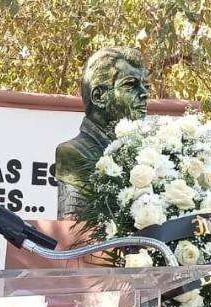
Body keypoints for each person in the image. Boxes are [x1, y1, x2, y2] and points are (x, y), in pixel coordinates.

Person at [53, 47, 149, 216]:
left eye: (145, 86)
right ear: (99, 97)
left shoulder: (144, 153)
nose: (144, 94)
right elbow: (74, 227)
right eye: (130, 85)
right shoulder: (74, 152)